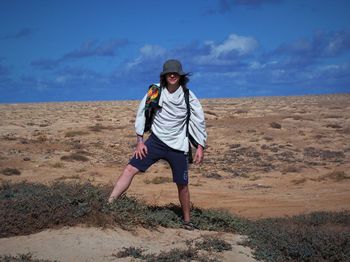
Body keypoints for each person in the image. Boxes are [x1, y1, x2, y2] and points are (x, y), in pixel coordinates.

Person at [108, 59, 207, 229]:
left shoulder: (188, 96)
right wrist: (140, 142)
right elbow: (142, 114)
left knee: (182, 185)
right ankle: (107, 206)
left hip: (178, 146)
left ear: (181, 76)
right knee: (130, 169)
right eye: (169, 73)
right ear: (164, 75)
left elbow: (199, 121)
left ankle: (187, 222)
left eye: (175, 73)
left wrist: (200, 146)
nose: (172, 75)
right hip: (155, 141)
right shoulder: (155, 90)